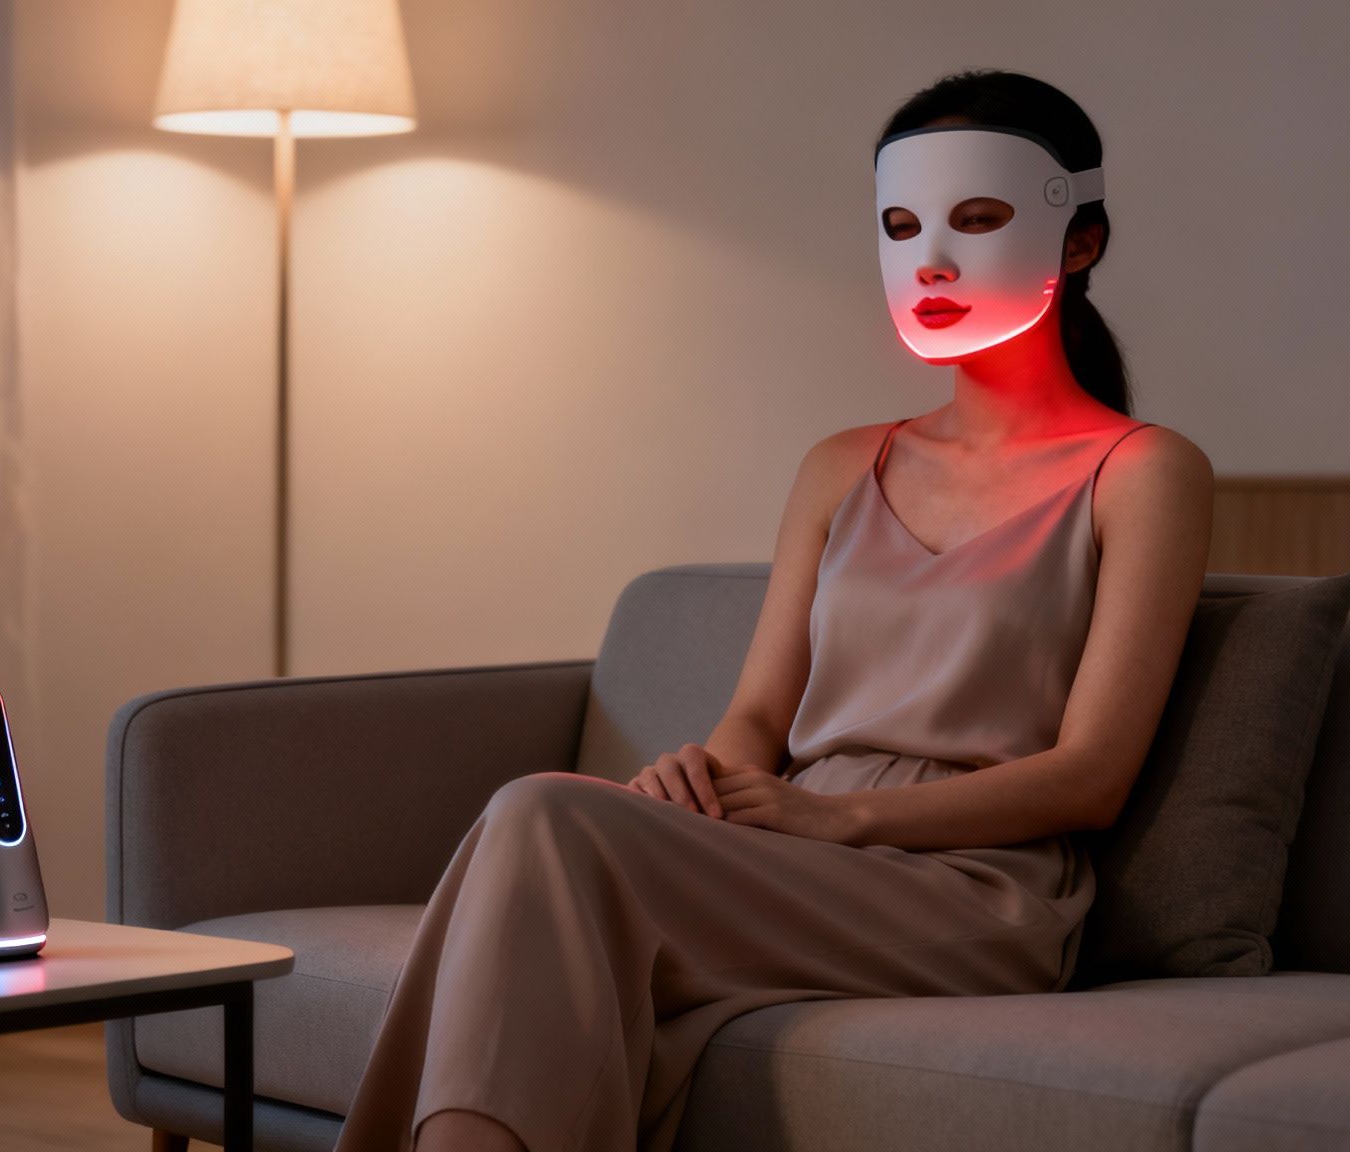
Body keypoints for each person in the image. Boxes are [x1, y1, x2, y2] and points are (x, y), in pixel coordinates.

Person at [331, 68, 1214, 1152]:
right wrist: (700, 777)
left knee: (545, 819)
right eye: (900, 225)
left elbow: (1092, 774)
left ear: (1076, 242)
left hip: (974, 890)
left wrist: (838, 817)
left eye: (977, 220)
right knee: (541, 809)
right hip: (791, 848)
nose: (931, 256)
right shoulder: (842, 464)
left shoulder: (1142, 472)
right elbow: (759, 715)